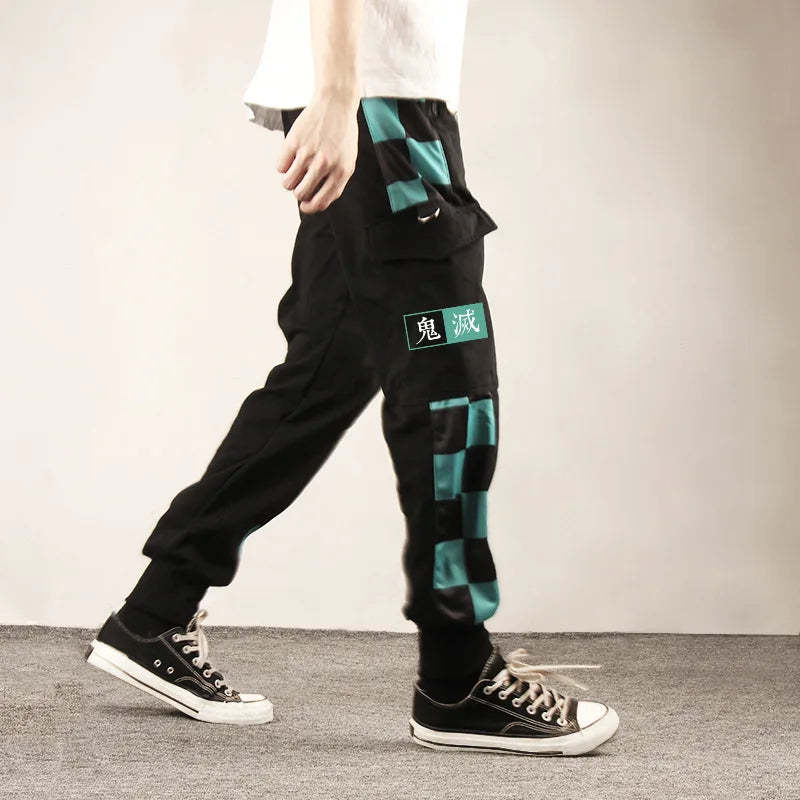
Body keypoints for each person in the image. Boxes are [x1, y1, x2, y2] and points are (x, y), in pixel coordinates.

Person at [86, 0, 619, 755]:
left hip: (376, 96)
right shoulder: (362, 94)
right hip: (379, 103)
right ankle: (457, 675)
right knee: (452, 387)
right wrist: (341, 93)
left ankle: (156, 610)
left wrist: (341, 92)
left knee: (329, 369)